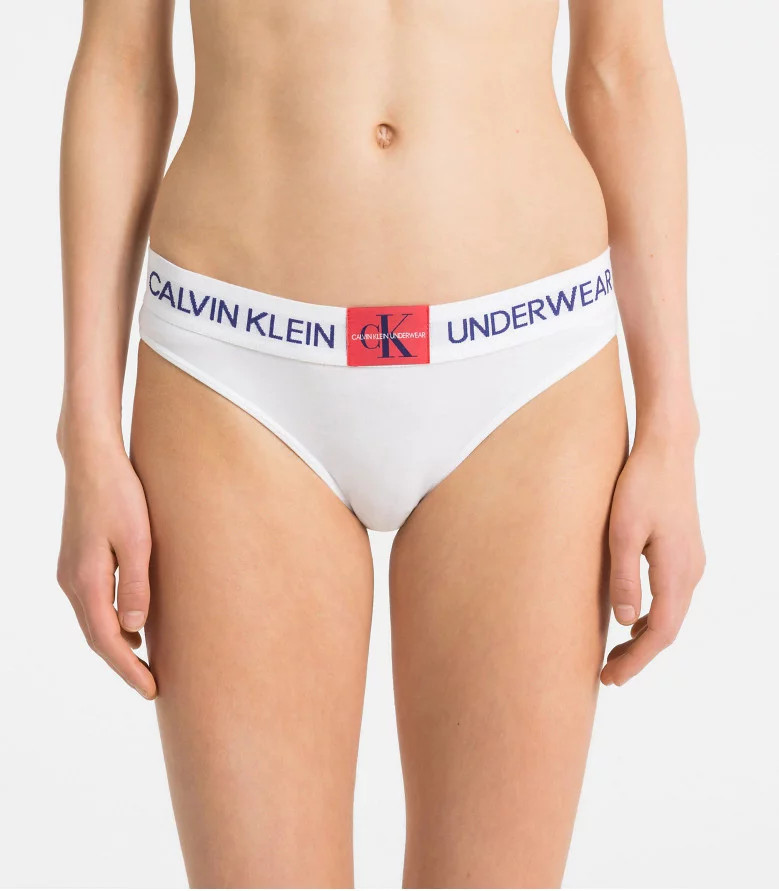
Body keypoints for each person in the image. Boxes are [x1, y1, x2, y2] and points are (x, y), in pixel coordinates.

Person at [56, 1, 705, 887]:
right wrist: (87, 431)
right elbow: (121, 65)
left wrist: (671, 425)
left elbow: (621, 67)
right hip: (234, 369)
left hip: (527, 373)